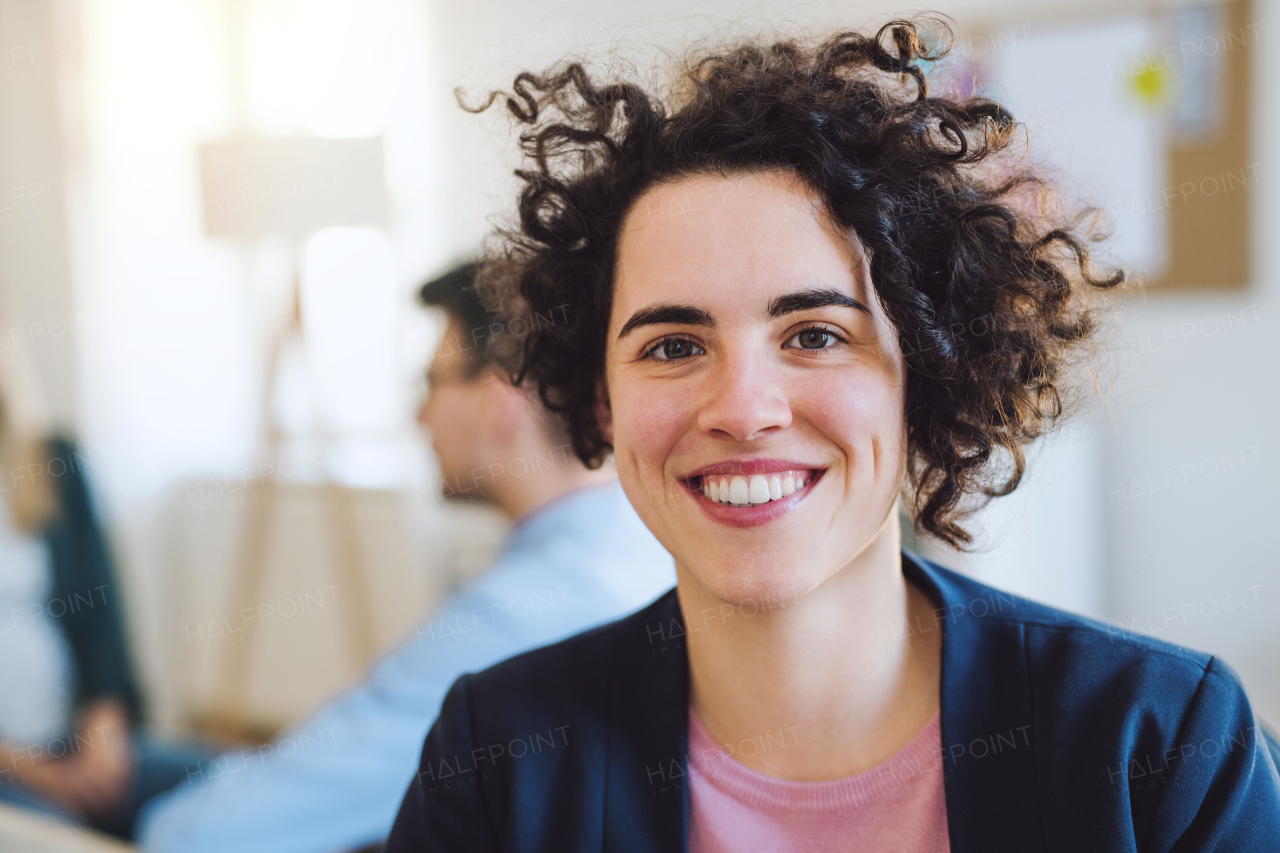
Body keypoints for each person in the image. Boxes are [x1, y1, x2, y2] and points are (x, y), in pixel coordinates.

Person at [385, 19, 1280, 851]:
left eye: (814, 335)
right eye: (673, 345)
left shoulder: (1164, 745)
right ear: (603, 402)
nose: (742, 408)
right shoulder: (496, 759)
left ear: (925, 372)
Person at [136, 264, 676, 852]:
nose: (419, 418)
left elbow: (210, 836)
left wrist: (153, 826)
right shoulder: (639, 544)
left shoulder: (518, 613)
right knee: (141, 762)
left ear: (499, 399)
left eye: (431, 383)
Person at [0, 407, 210, 839]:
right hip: (10, 769)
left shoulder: (49, 458)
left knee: (236, 783)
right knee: (59, 839)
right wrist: (36, 774)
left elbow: (99, 613)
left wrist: (104, 726)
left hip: (72, 737)